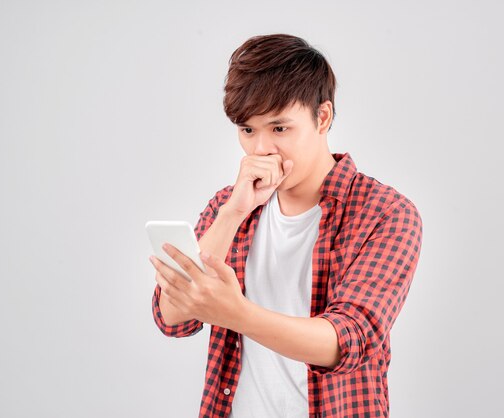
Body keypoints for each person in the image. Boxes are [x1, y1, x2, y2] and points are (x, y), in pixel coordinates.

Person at [149, 33, 423, 418]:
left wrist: (235, 313)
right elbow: (172, 318)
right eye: (247, 130)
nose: (261, 149)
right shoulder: (228, 206)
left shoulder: (385, 214)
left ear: (322, 117)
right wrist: (233, 214)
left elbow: (346, 341)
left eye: (279, 128)